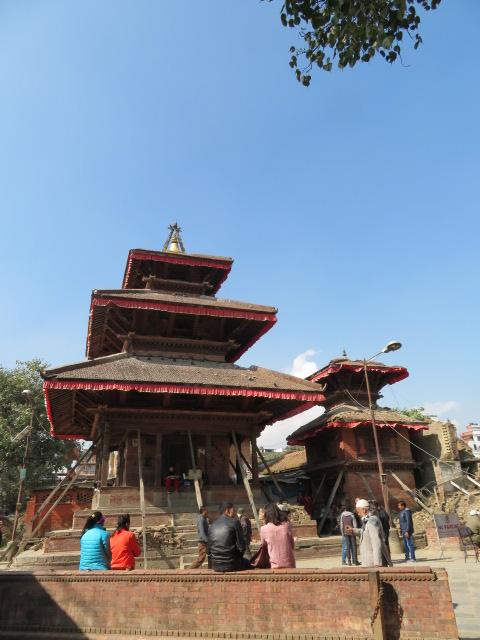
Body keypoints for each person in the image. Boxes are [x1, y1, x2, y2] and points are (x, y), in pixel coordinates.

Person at [346, 499, 391, 568]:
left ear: (364, 510)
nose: (358, 514)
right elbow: (365, 531)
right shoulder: (367, 520)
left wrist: (377, 562)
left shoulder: (371, 521)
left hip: (372, 562)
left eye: (358, 511)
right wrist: (353, 530)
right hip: (369, 560)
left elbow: (376, 541)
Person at [208, 502, 246, 572]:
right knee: (248, 563)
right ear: (227, 510)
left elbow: (208, 551)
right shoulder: (235, 522)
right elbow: (242, 547)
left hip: (215, 565)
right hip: (231, 564)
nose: (235, 513)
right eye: (233, 510)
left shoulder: (212, 525)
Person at [260, 503, 296, 569]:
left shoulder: (263, 529)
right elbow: (292, 545)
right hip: (290, 564)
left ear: (266, 515)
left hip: (274, 565)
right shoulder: (287, 525)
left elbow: (263, 546)